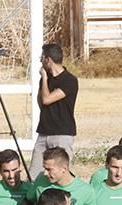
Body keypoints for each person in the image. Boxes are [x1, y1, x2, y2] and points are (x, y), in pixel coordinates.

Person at [30, 44, 78, 179]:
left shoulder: (69, 80)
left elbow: (46, 99)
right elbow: (41, 103)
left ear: (48, 59)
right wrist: (44, 80)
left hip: (62, 133)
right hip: (44, 132)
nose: (40, 61)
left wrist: (44, 79)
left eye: (42, 58)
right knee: (34, 175)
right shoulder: (45, 79)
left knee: (60, 174)